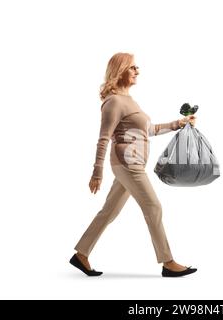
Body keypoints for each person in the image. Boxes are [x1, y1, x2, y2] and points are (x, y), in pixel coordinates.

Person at [69, 52, 197, 277]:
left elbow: (151, 130)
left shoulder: (129, 100)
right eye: (132, 67)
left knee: (109, 212)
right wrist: (97, 172)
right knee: (153, 206)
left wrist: (180, 123)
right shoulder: (114, 102)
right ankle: (168, 262)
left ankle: (81, 254)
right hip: (127, 164)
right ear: (120, 71)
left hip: (133, 164)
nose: (138, 71)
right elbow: (103, 138)